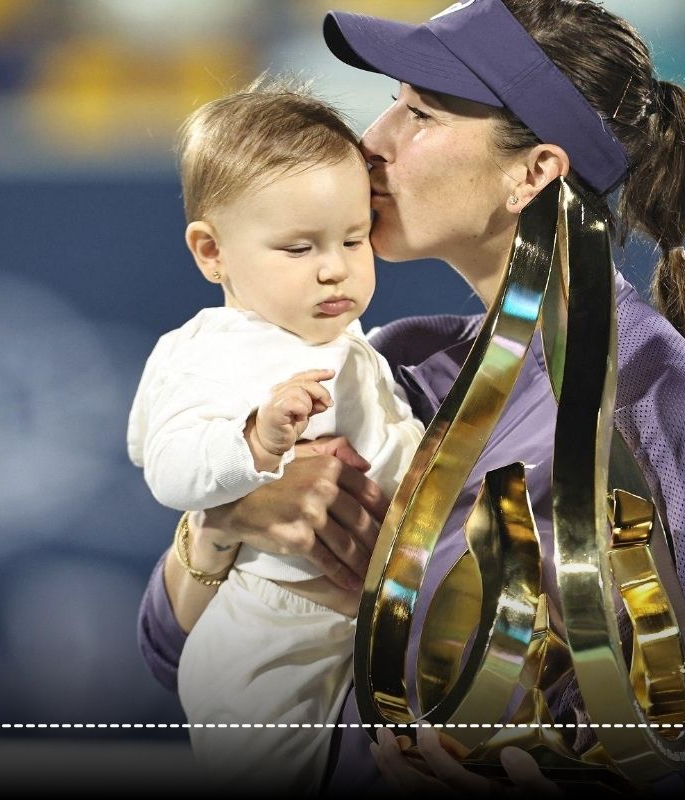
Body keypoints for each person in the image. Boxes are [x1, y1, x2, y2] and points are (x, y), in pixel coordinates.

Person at [136, 0, 685, 795]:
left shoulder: (668, 411)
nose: (372, 143)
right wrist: (223, 526)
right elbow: (170, 653)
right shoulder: (397, 362)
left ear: (534, 172)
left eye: (420, 114)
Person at [126, 81, 425, 791]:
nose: (334, 266)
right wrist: (256, 444)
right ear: (211, 252)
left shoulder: (353, 344)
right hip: (269, 636)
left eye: (354, 239)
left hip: (356, 628)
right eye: (298, 248)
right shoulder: (211, 350)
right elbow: (165, 465)